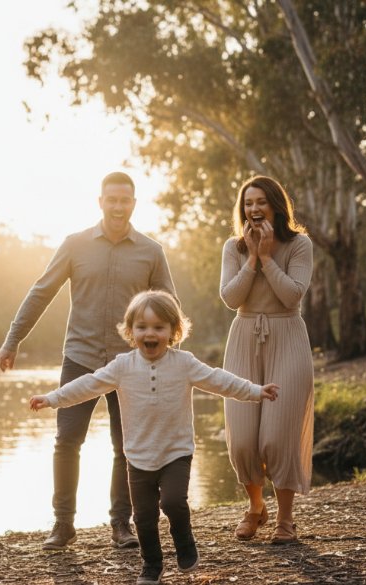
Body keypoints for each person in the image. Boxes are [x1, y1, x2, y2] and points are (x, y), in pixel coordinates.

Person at [30, 291, 278, 585]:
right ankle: (151, 565)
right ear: (130, 331)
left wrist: (255, 390)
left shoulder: (184, 363)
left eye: (159, 327)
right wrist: (52, 398)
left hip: (176, 452)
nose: (150, 333)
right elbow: (88, 385)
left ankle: (184, 540)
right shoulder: (122, 366)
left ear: (173, 331)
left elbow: (219, 380)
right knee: (144, 518)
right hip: (137, 457)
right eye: (142, 327)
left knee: (173, 502)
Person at [0, 171, 177, 551]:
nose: (117, 206)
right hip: (79, 358)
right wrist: (13, 339)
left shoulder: (150, 251)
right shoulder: (75, 245)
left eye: (124, 200)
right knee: (66, 441)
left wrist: (169, 358)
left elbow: (168, 308)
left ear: (133, 204)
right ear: (100, 202)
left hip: (131, 364)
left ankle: (120, 526)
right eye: (111, 199)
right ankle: (63, 525)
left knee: (125, 446)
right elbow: (41, 292)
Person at [219, 175, 314, 544]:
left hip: (287, 339)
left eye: (260, 202)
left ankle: (285, 520)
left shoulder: (299, 244)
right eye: (248, 203)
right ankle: (257, 508)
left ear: (276, 205)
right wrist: (252, 259)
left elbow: (292, 296)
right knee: (243, 439)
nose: (254, 209)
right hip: (244, 339)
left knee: (277, 437)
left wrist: (268, 257)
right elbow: (230, 297)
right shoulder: (233, 247)